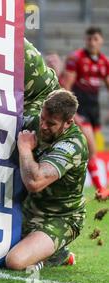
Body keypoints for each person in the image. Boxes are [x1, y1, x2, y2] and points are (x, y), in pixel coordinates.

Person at [5, 89, 88, 270]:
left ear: (68, 123)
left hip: (60, 217)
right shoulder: (36, 121)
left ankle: (58, 255)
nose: (43, 126)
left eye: (51, 123)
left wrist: (25, 149)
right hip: (28, 209)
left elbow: (35, 182)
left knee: (15, 261)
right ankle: (44, 247)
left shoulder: (73, 144)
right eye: (42, 118)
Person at [61, 26, 109, 200]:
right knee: (91, 149)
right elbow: (66, 85)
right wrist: (74, 113)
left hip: (94, 110)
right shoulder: (77, 58)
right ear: (85, 40)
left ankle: (74, 188)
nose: (92, 42)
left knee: (88, 152)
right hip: (80, 109)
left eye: (95, 39)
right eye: (89, 39)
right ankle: (100, 189)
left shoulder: (104, 62)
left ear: (101, 40)